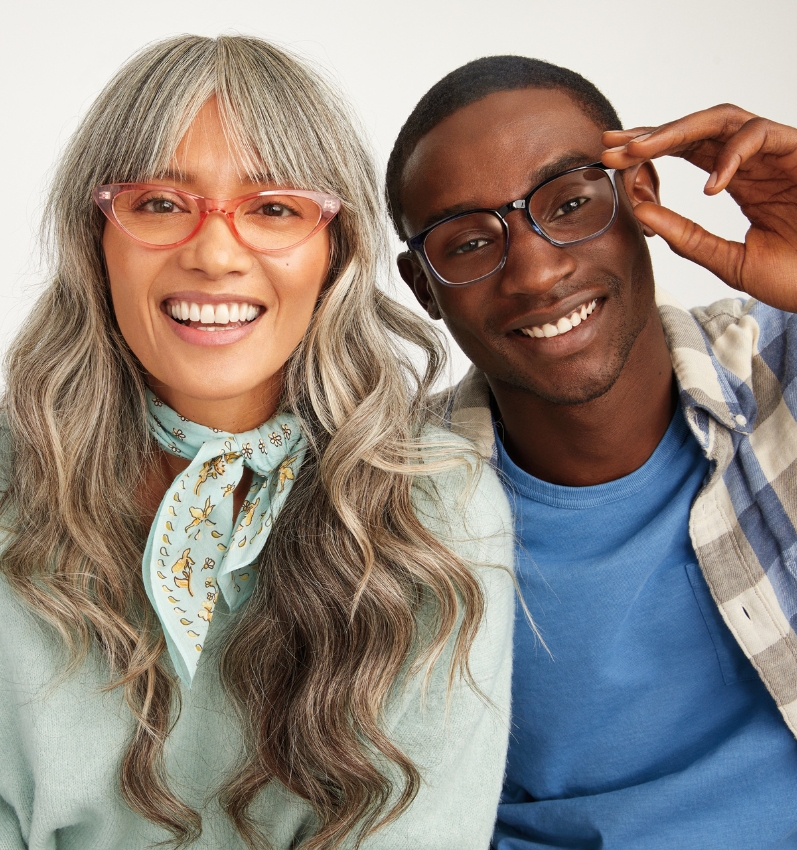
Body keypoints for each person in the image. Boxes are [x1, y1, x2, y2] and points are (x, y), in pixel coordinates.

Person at [0, 36, 515, 850]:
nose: (212, 253)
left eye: (274, 208)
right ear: (95, 240)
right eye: (160, 203)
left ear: (333, 251)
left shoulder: (436, 512)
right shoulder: (8, 483)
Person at [386, 55, 797, 848]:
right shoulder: (382, 517)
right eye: (467, 243)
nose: (537, 271)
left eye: (569, 203)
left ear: (641, 196)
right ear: (424, 287)